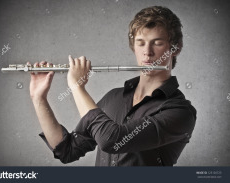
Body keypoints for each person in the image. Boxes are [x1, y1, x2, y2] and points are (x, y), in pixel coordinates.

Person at [29, 6, 197, 166]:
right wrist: (39, 98)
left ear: (175, 48)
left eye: (157, 43)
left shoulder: (180, 112)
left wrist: (77, 86)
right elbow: (67, 150)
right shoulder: (113, 98)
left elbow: (112, 141)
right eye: (140, 43)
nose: (147, 51)